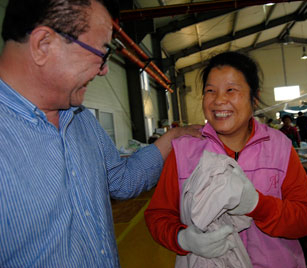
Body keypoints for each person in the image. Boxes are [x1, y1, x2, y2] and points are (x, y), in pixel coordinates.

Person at [0, 0, 201, 267]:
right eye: (101, 52)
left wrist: (174, 138)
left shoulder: (81, 119)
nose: (104, 69)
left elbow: (122, 179)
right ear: (43, 45)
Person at [144, 51, 307, 267]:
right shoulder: (184, 152)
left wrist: (257, 205)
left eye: (231, 90)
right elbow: (158, 215)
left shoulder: (279, 147)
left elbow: (305, 219)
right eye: (210, 91)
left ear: (254, 98)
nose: (219, 100)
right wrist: (183, 238)